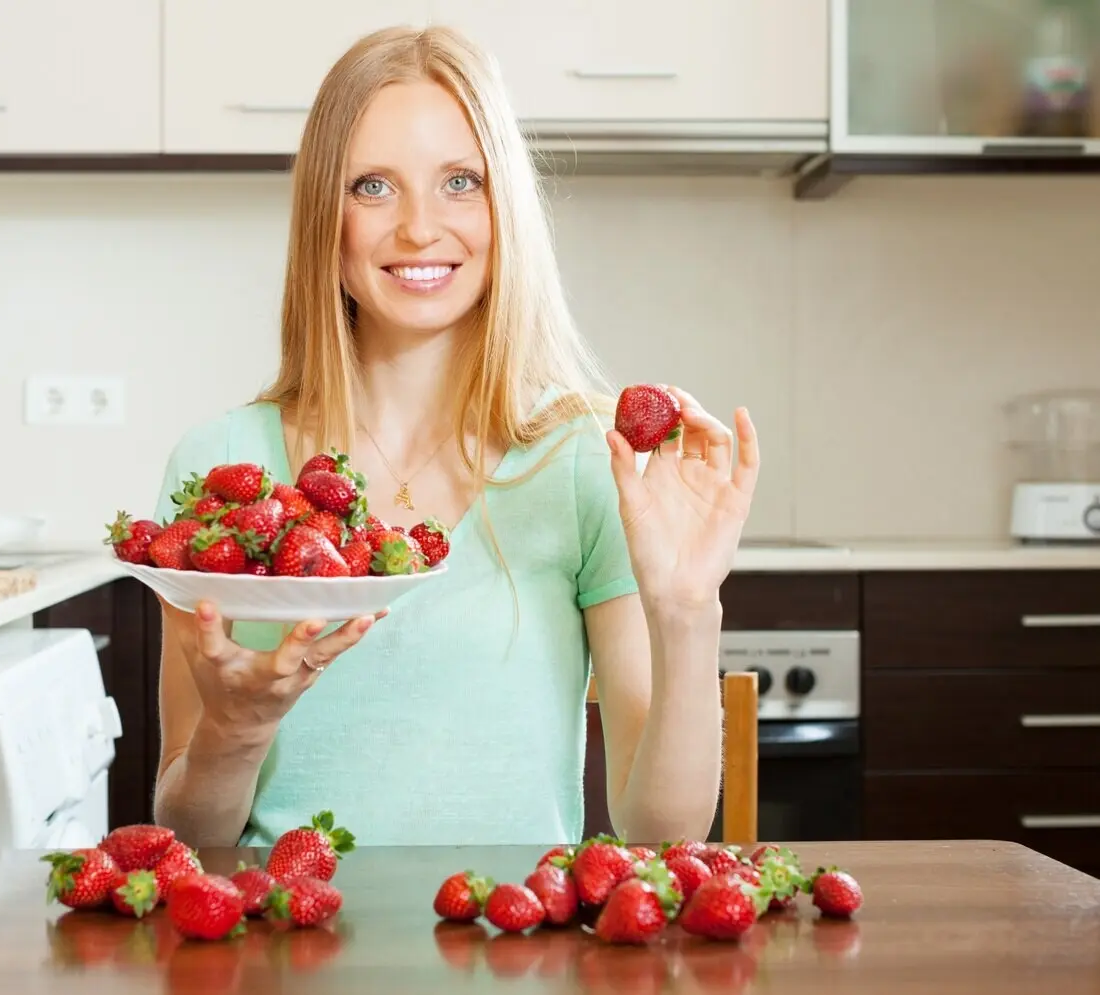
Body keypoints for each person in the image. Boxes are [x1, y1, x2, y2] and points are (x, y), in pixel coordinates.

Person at [149, 23, 759, 849]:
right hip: (290, 955)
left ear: (504, 209)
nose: (418, 227)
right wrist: (236, 728)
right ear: (323, 220)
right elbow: (190, 832)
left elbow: (660, 828)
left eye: (460, 182)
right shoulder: (220, 474)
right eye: (373, 186)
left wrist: (688, 609)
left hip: (513, 960)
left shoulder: (589, 461)